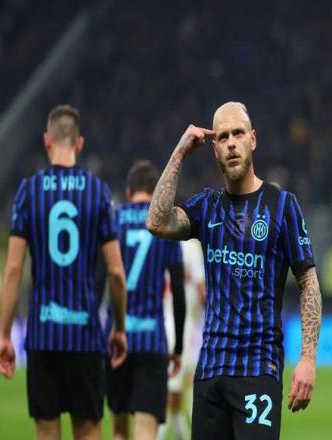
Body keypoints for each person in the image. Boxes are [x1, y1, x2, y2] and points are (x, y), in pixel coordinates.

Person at [146, 102, 322, 439]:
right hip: (210, 373)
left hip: (258, 371)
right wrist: (180, 153)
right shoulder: (206, 206)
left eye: (237, 134)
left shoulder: (282, 206)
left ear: (252, 139)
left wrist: (307, 359)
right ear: (214, 148)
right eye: (223, 137)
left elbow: (308, 282)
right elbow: (156, 221)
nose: (230, 143)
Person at [0, 104, 128, 440]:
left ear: (46, 140)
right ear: (79, 144)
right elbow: (115, 271)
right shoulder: (98, 192)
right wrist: (119, 328)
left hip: (43, 335)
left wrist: (5, 335)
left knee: (46, 433)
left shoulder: (28, 192)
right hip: (85, 335)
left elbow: (13, 269)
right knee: (88, 432)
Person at [106, 160, 186, 440]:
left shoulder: (114, 220)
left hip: (116, 339)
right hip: (152, 340)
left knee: (119, 430)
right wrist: (177, 347)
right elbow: (178, 290)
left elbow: (100, 277)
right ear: (155, 192)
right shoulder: (164, 225)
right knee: (145, 431)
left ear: (129, 192)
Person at [158, 238, 206, 440]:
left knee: (178, 387)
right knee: (176, 388)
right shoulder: (191, 248)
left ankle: (182, 434)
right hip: (181, 324)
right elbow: (202, 291)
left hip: (159, 320)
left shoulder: (161, 241)